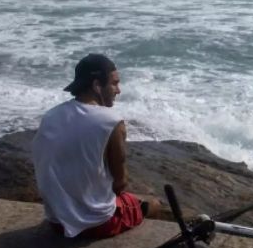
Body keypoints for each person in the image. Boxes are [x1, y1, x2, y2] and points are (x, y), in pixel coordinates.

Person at [32, 53, 168, 238]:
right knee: (154, 204)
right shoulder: (111, 121)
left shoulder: (50, 116)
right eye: (114, 83)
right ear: (97, 85)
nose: (118, 90)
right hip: (97, 223)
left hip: (57, 221)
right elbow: (120, 184)